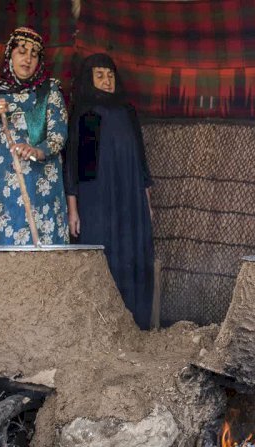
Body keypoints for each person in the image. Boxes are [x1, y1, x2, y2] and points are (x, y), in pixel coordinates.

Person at [65, 53, 155, 330]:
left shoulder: (126, 112)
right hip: (98, 198)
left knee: (133, 252)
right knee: (102, 252)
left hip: (130, 196)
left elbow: (140, 161)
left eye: (110, 75)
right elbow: (79, 167)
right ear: (89, 80)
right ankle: (102, 328)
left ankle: (135, 327)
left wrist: (147, 203)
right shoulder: (87, 114)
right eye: (100, 76)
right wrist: (73, 208)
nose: (106, 81)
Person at [0, 27, 69, 246]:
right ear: (10, 54)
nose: (27, 59)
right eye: (22, 51)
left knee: (44, 266)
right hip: (1, 197)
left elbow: (58, 135)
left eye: (34, 54)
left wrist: (38, 151)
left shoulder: (49, 92)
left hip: (41, 193)